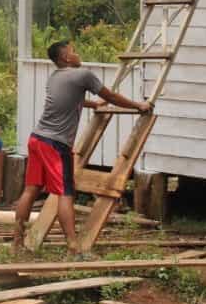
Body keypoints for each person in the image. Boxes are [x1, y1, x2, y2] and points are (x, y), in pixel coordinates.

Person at [12, 39, 152, 254]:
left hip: (37, 138)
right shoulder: (82, 75)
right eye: (74, 51)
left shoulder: (55, 77)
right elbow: (111, 96)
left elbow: (68, 100)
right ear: (66, 57)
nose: (77, 54)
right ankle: (73, 246)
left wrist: (92, 105)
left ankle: (17, 243)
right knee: (66, 193)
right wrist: (138, 105)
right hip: (56, 144)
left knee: (30, 189)